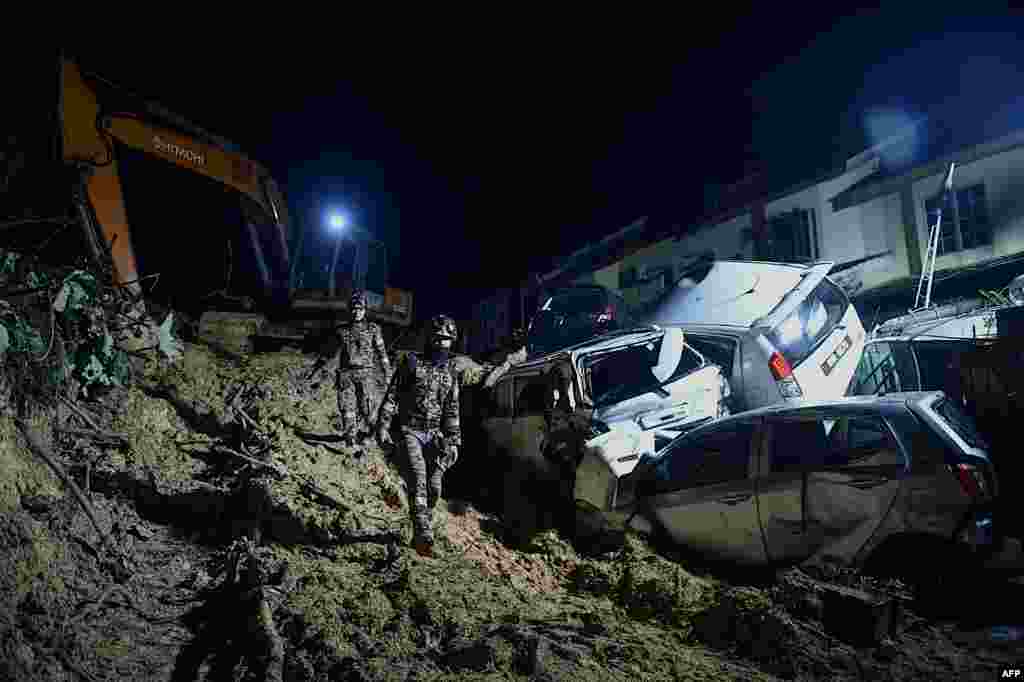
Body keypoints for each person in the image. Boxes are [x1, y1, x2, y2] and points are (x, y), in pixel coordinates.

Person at [377, 314, 461, 557]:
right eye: (436, 337)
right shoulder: (412, 363)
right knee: (418, 478)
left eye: (445, 338)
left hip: (435, 434)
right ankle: (423, 533)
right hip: (410, 430)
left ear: (452, 340)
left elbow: (452, 409)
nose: (440, 342)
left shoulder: (452, 371)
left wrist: (453, 441)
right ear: (429, 338)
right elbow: (392, 396)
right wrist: (383, 427)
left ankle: (421, 518)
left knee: (434, 487)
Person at [309, 290, 392, 446]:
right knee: (346, 407)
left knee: (367, 409)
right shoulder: (342, 331)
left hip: (366, 374)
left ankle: (376, 434)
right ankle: (350, 439)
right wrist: (317, 370)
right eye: (353, 308)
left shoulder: (373, 329)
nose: (356, 312)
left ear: (365, 310)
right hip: (346, 374)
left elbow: (382, 353)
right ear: (349, 310)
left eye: (360, 308)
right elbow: (330, 353)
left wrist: (388, 374)